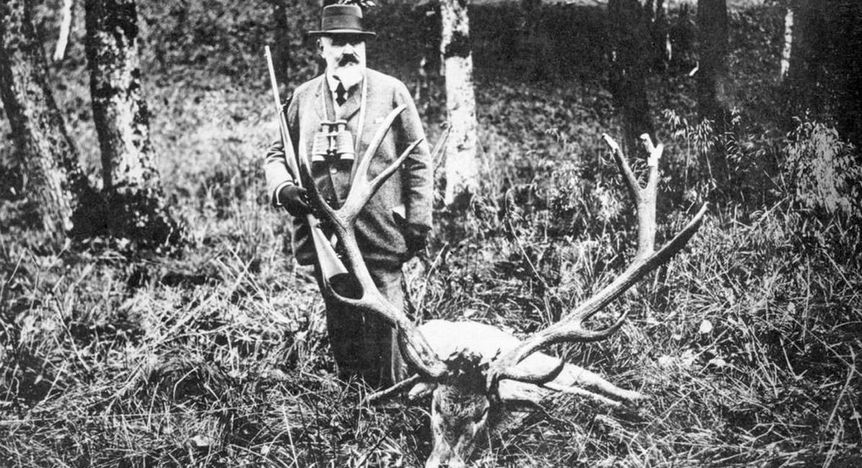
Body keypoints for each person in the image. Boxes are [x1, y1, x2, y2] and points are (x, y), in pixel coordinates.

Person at [263, 4, 432, 388]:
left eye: (356, 41)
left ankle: (391, 396)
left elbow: (418, 159)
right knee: (340, 314)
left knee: (387, 318)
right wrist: (284, 188)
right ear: (321, 47)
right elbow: (276, 154)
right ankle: (353, 398)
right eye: (338, 42)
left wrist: (418, 221)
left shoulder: (391, 92)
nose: (349, 50)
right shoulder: (303, 97)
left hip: (380, 231)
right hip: (324, 236)